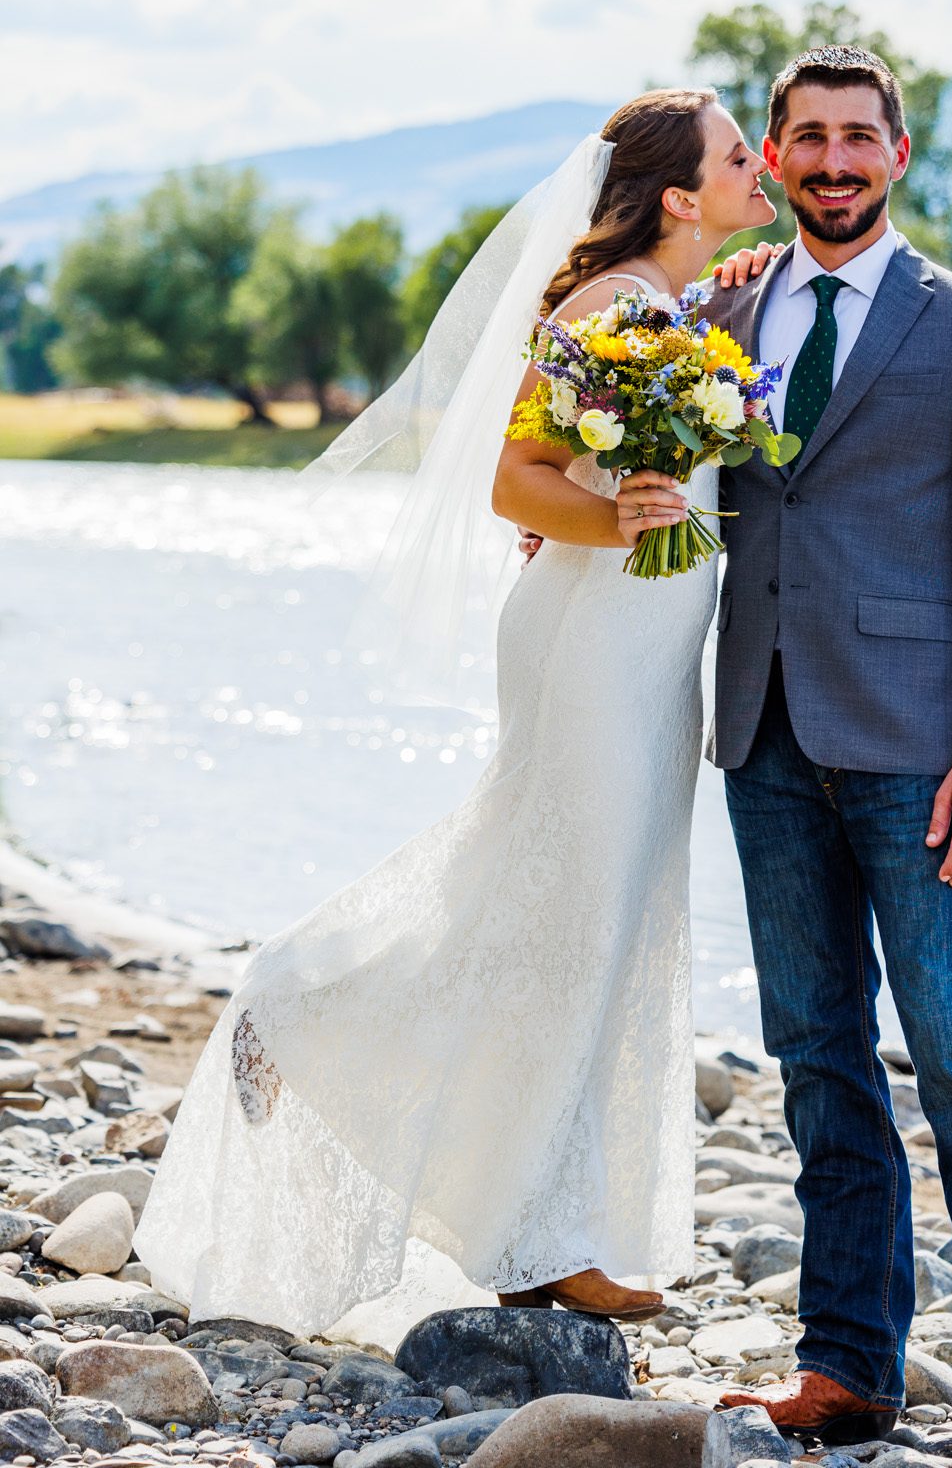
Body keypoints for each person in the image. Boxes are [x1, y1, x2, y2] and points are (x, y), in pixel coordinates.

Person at [133, 87, 776, 1336]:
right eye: (738, 155)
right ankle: (309, 1013)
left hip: (647, 652)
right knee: (566, 912)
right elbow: (515, 481)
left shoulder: (676, 307)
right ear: (679, 194)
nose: (760, 167)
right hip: (595, 643)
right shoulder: (608, 310)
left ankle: (549, 1219)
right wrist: (625, 514)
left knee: (586, 913)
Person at [697, 45, 952, 1453]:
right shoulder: (727, 312)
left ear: (898, 155)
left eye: (858, 138)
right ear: (779, 160)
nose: (834, 161)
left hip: (924, 752)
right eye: (807, 138)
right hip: (764, 731)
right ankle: (847, 1363)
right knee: (815, 1055)